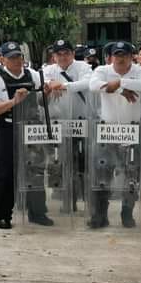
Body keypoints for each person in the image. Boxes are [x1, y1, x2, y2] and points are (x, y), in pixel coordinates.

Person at [0, 42, 51, 229]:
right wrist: (14, 102)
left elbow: (41, 100)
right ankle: (3, 215)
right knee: (5, 173)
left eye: (18, 57)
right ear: (2, 59)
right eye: (11, 57)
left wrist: (46, 93)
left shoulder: (34, 76)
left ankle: (37, 212)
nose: (16, 61)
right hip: (7, 129)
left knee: (35, 170)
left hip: (31, 129)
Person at [89, 41, 141, 228]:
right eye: (117, 55)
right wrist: (122, 89)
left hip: (132, 130)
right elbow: (94, 86)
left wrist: (118, 83)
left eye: (124, 55)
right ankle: (100, 214)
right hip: (107, 131)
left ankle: (127, 212)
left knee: (131, 175)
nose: (120, 58)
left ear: (132, 56)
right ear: (111, 57)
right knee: (102, 175)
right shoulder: (102, 70)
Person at [43, 39, 94, 211]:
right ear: (54, 56)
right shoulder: (48, 69)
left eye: (66, 53)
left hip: (82, 123)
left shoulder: (83, 67)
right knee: (64, 164)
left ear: (73, 54)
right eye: (59, 54)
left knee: (84, 164)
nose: (63, 57)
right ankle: (68, 200)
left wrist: (62, 85)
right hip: (60, 125)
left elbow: (87, 83)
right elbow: (45, 83)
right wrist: (51, 84)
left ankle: (90, 202)